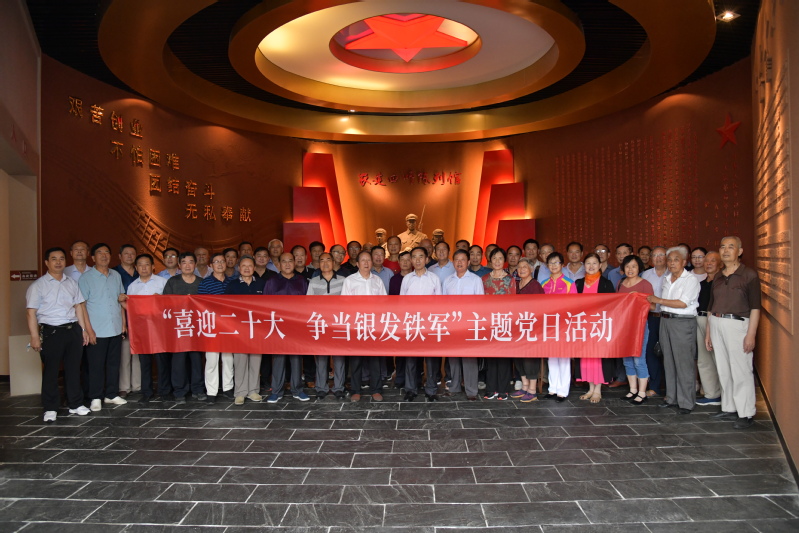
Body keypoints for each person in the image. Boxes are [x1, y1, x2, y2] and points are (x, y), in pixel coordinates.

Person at [26, 247, 92, 422]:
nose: (58, 262)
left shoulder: (71, 283)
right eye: (54, 259)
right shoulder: (38, 285)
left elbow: (78, 306)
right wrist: (34, 336)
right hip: (51, 332)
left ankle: (75, 404)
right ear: (47, 262)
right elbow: (31, 313)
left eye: (61, 259)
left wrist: (83, 330)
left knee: (73, 369)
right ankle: (50, 407)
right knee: (51, 371)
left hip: (72, 330)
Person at [706, 236, 761, 429]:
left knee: (741, 370)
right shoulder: (718, 276)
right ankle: (729, 407)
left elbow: (755, 308)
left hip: (738, 325)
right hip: (716, 323)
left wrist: (751, 334)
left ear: (740, 251)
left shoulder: (749, 275)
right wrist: (708, 333)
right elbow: (710, 307)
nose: (726, 250)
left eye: (731, 247)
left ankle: (746, 412)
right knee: (723, 369)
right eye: (722, 247)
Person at [648, 247, 700, 415]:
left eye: (676, 260)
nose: (671, 263)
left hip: (682, 322)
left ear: (684, 262)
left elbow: (683, 303)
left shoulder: (690, 280)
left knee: (684, 363)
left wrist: (658, 300)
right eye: (669, 260)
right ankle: (671, 398)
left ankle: (686, 403)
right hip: (665, 321)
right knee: (668, 361)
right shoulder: (667, 279)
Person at [78, 243, 127, 411]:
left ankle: (111, 394)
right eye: (100, 253)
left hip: (115, 327)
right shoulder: (86, 278)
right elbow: (82, 306)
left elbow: (120, 300)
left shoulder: (116, 275)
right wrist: (88, 330)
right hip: (96, 329)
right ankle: (95, 396)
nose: (104, 255)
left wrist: (123, 324)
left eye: (107, 252)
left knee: (114, 364)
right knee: (95, 365)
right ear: (93, 257)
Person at [341, 251, 387, 402]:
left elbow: (384, 303)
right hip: (357, 325)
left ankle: (376, 389)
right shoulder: (350, 281)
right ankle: (356, 390)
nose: (366, 263)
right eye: (363, 260)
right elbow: (344, 304)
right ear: (357, 263)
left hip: (374, 325)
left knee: (375, 360)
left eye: (368, 260)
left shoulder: (377, 280)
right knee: (356, 360)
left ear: (372, 263)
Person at [400, 246, 442, 402]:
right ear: (411, 260)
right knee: (411, 358)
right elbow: (402, 303)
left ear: (427, 259)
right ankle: (411, 389)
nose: (417, 260)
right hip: (411, 324)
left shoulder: (434, 278)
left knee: (430, 359)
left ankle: (431, 389)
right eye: (414, 257)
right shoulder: (407, 279)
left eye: (421, 257)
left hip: (430, 324)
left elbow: (439, 303)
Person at [266, 253, 310, 403]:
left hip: (296, 325)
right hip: (278, 325)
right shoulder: (272, 281)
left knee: (296, 358)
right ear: (278, 264)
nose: (287, 264)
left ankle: (297, 389)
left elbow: (307, 303)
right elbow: (264, 304)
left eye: (290, 261)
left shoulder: (301, 280)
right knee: (279, 358)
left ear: (294, 262)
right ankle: (276, 391)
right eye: (283, 261)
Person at [163, 251, 205, 404]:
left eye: (191, 262)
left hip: (197, 329)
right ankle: (179, 391)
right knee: (178, 361)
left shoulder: (202, 282)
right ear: (179, 265)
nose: (188, 265)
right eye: (184, 262)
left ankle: (198, 389)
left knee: (196, 360)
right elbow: (165, 304)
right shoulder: (172, 282)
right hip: (178, 328)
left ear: (195, 264)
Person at [442, 249, 484, 401]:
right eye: (457, 260)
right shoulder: (447, 280)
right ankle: (454, 387)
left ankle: (471, 391)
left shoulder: (475, 280)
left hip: (469, 324)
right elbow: (443, 304)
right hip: (452, 324)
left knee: (469, 357)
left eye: (463, 260)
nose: (459, 262)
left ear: (468, 262)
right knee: (453, 357)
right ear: (453, 262)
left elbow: (480, 303)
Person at [126, 253, 168, 404]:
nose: (144, 268)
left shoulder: (162, 282)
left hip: (160, 328)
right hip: (141, 329)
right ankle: (147, 392)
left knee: (162, 361)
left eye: (147, 264)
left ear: (153, 266)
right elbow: (130, 308)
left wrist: (161, 300)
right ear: (136, 268)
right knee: (144, 362)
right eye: (140, 265)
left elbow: (171, 304)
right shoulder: (132, 287)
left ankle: (164, 391)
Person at [574, 253, 616, 403]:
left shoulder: (606, 284)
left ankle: (598, 390)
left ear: (600, 265)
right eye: (588, 263)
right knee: (586, 357)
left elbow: (612, 305)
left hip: (599, 326)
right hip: (583, 326)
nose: (591, 266)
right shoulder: (578, 283)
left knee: (598, 357)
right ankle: (590, 389)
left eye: (594, 263)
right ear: (584, 265)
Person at [224, 256, 266, 405]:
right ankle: (240, 392)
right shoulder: (232, 285)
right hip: (239, 328)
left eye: (250, 266)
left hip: (257, 327)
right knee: (240, 361)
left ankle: (253, 390)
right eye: (244, 266)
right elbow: (226, 306)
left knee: (255, 360)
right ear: (239, 268)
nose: (247, 268)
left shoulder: (261, 283)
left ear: (254, 268)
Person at [307, 252, 347, 400]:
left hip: (338, 324)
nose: (325, 263)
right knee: (321, 357)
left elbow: (348, 303)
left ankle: (339, 387)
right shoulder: (313, 281)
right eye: (322, 260)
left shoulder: (343, 280)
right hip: (321, 324)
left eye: (328, 260)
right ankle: (321, 388)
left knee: (339, 358)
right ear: (318, 264)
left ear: (333, 262)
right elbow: (308, 304)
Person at [617, 255, 654, 405]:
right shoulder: (621, 283)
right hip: (623, 327)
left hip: (639, 326)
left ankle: (642, 392)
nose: (630, 269)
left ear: (639, 268)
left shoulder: (645, 284)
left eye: (634, 266)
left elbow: (653, 306)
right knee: (627, 359)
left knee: (639, 359)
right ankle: (632, 389)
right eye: (627, 266)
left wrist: (638, 298)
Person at [540, 252, 577, 401]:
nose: (553, 265)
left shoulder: (569, 283)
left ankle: (563, 391)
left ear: (562, 265)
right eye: (551, 263)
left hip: (564, 325)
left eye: (556, 262)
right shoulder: (544, 284)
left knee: (564, 358)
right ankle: (552, 389)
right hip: (548, 325)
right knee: (552, 357)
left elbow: (574, 306)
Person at [198, 252, 234, 403]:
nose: (220, 264)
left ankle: (228, 388)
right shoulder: (205, 283)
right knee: (212, 360)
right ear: (211, 265)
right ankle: (211, 392)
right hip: (211, 325)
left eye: (222, 261)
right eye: (216, 262)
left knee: (228, 359)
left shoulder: (232, 282)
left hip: (229, 326)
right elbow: (201, 305)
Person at [481, 247, 516, 400]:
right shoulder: (484, 279)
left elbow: (513, 303)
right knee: (490, 356)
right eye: (494, 258)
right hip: (488, 322)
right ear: (490, 260)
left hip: (505, 321)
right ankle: (491, 388)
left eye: (500, 258)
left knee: (503, 357)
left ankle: (503, 389)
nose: (497, 261)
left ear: (504, 261)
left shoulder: (510, 280)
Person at [509, 258, 544, 403]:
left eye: (525, 267)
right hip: (517, 327)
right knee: (518, 358)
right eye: (519, 267)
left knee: (530, 359)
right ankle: (524, 386)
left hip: (531, 327)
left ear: (531, 269)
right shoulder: (516, 284)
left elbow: (541, 307)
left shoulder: (535, 285)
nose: (522, 269)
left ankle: (532, 390)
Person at [695, 251, 723, 406]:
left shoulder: (722, 283)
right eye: (706, 261)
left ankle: (725, 394)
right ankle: (711, 394)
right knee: (703, 359)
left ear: (720, 264)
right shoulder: (701, 284)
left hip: (714, 320)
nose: (708, 263)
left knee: (717, 358)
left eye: (713, 261)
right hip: (699, 319)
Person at [114, 244, 139, 398]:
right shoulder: (114, 273)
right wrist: (123, 322)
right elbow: (116, 299)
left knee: (138, 354)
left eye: (132, 253)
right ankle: (124, 386)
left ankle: (137, 385)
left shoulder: (139, 273)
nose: (130, 256)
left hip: (139, 320)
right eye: (126, 253)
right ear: (120, 256)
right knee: (124, 355)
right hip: (122, 318)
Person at [642, 246, 668, 396]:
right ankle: (654, 386)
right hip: (651, 317)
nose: (658, 258)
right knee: (650, 352)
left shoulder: (673, 273)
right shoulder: (646, 275)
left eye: (661, 255)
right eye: (655, 255)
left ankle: (670, 387)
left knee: (669, 353)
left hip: (668, 318)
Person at [389, 251, 413, 390]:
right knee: (400, 349)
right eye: (402, 260)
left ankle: (413, 378)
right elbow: (392, 300)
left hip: (414, 319)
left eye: (408, 259)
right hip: (399, 319)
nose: (405, 262)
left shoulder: (415, 278)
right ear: (398, 262)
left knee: (413, 350)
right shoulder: (394, 279)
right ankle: (400, 377)